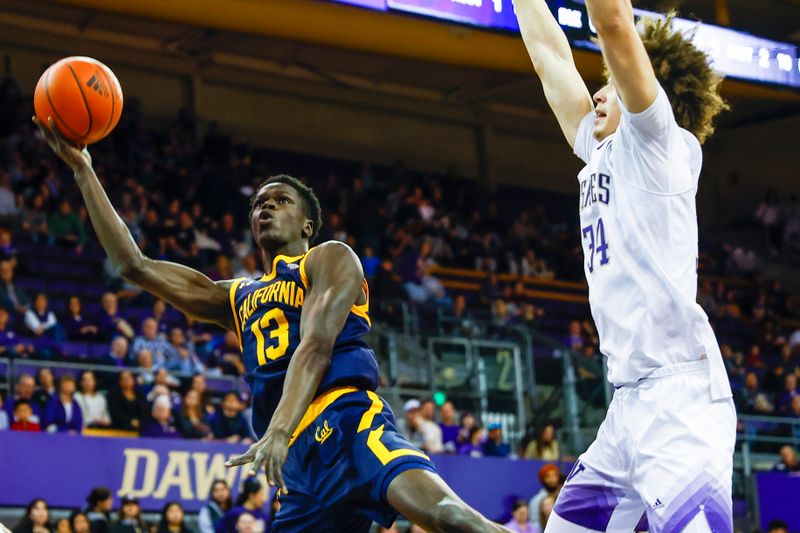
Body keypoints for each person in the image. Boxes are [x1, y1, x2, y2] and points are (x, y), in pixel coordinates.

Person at [35, 118, 510, 533]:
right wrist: (84, 172)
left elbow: (316, 347)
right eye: (259, 203)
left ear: (307, 225)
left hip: (347, 422)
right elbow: (133, 266)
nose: (265, 207)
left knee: (448, 517)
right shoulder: (236, 296)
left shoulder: (329, 259)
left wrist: (277, 431)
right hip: (297, 464)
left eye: (280, 201)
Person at [516, 0, 734, 530]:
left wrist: (622, 55)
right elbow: (550, 59)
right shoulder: (600, 149)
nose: (597, 92)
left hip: (679, 403)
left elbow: (612, 20)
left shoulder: (659, 142)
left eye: (610, 82)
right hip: (627, 407)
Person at [528, 465, 562, 531]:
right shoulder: (536, 501)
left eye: (554, 476)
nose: (552, 479)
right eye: (548, 477)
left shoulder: (562, 497)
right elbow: (534, 525)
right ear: (543, 479)